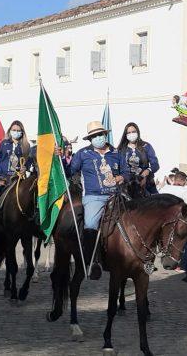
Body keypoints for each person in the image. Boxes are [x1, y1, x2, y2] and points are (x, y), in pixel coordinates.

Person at [66, 120, 123, 280]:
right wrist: (62, 158)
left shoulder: (117, 152)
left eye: (100, 134)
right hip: (94, 196)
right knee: (91, 224)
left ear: (105, 134)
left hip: (116, 195)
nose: (98, 138)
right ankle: (92, 260)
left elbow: (126, 171)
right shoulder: (82, 153)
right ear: (90, 139)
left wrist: (123, 177)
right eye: (94, 136)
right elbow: (70, 171)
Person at [117, 122, 160, 194]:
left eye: (133, 132)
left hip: (147, 184)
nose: (131, 134)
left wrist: (147, 171)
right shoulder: (121, 149)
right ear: (125, 135)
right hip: (128, 186)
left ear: (138, 132)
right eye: (129, 133)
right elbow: (119, 168)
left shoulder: (146, 146)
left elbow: (155, 165)